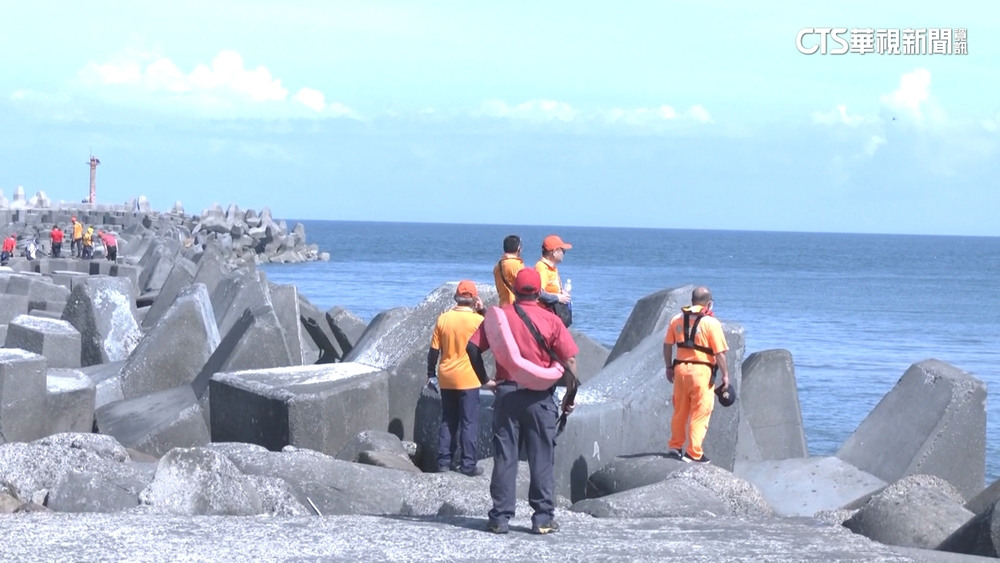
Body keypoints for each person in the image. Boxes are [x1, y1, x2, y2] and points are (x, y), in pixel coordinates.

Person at [467, 268, 579, 535]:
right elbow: (570, 361)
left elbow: (472, 348)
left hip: (507, 394)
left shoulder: (501, 317)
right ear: (539, 292)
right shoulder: (552, 320)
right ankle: (542, 518)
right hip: (541, 397)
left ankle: (499, 518)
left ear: (514, 291)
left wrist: (485, 380)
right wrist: (569, 396)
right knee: (542, 458)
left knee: (505, 457)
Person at [427, 280, 488, 476]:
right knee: (469, 422)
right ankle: (468, 465)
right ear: (474, 299)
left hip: (446, 376)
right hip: (469, 378)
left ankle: (444, 462)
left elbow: (433, 351)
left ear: (456, 297)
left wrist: (430, 374)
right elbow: (495, 330)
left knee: (448, 420)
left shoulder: (443, 318)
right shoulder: (477, 320)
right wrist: (483, 310)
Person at [663, 286, 730, 464]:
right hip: (701, 372)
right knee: (700, 412)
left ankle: (675, 446)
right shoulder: (711, 323)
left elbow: (667, 345)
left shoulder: (676, 319)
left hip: (680, 371)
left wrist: (668, 367)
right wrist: (725, 376)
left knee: (680, 410)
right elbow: (719, 353)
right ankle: (694, 453)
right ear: (709, 304)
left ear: (692, 301)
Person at [534, 235, 572, 326]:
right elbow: (538, 293)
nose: (563, 254)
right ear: (554, 252)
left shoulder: (552, 267)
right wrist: (558, 298)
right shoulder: (542, 268)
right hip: (544, 317)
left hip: (552, 316)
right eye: (563, 251)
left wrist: (561, 292)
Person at [493, 235, 525, 307]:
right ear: (518, 248)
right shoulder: (515, 263)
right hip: (514, 306)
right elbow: (524, 286)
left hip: (503, 305)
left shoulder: (498, 265)